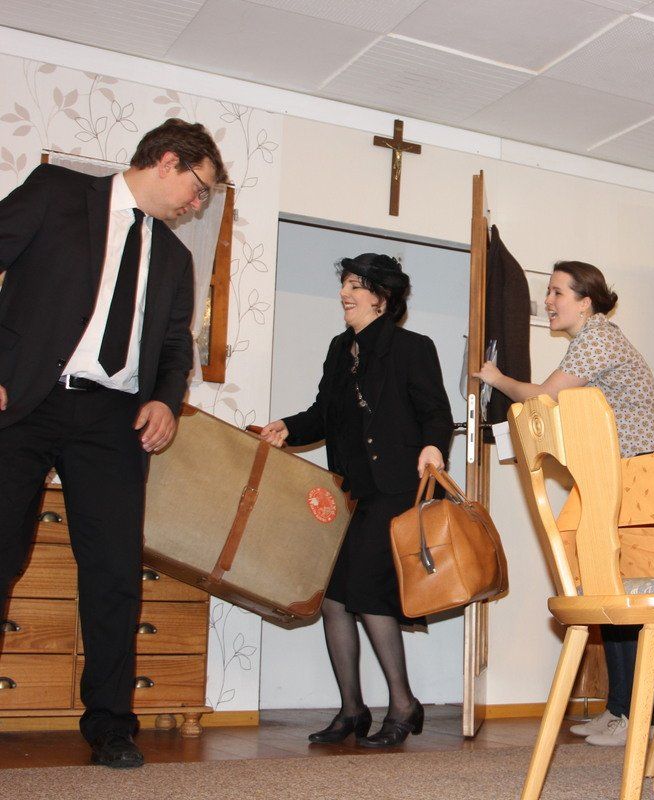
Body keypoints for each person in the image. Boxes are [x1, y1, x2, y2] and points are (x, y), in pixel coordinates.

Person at [0, 118, 225, 768]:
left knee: (113, 574)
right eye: (199, 187)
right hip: (25, 402)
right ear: (168, 161)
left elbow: (176, 347)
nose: (198, 204)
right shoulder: (57, 194)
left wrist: (165, 400)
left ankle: (110, 726)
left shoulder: (176, 259)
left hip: (112, 422)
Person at [259, 253, 452, 748]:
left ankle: (404, 704)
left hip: (396, 489)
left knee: (367, 591)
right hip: (352, 494)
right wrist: (288, 427)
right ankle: (352, 709)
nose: (344, 293)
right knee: (334, 599)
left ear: (382, 297)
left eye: (355, 285)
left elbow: (435, 412)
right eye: (344, 284)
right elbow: (324, 413)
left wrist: (434, 446)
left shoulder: (412, 348)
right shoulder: (339, 349)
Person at [474, 260, 654, 747]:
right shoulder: (593, 340)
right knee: (609, 592)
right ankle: (620, 708)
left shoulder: (598, 338)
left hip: (639, 476)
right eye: (549, 291)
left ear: (585, 302)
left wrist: (495, 377)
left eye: (557, 292)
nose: (548, 300)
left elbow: (543, 397)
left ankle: (638, 717)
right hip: (620, 476)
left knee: (623, 597)